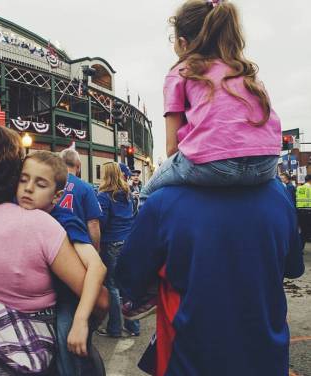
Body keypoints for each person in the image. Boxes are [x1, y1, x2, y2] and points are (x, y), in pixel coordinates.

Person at [0, 125, 108, 375]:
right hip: (39, 353)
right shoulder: (41, 224)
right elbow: (101, 299)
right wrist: (83, 321)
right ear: (13, 171)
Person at [116, 178, 304, 375]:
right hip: (265, 356)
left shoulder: (163, 201)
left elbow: (129, 278)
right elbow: (293, 268)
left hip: (189, 358)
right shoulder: (278, 195)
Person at [140, 0, 281, 201]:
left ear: (182, 42)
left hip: (213, 166)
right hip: (265, 164)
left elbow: (172, 148)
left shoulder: (181, 72)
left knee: (147, 195)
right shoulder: (245, 71)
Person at [16, 151, 108, 376]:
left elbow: (97, 267)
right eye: (23, 179)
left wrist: (81, 320)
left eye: (40, 184)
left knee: (68, 345)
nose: (28, 188)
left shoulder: (64, 220)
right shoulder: (13, 212)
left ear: (56, 197)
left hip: (66, 300)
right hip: (33, 304)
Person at [95, 162, 140, 337]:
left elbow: (102, 223)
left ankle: (114, 328)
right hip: (127, 241)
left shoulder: (104, 197)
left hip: (111, 243)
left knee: (112, 286)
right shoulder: (128, 195)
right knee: (126, 284)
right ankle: (133, 325)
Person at [59, 147, 102, 251]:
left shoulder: (49, 184)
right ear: (78, 166)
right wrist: (96, 249)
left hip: (52, 242)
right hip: (78, 243)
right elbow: (93, 223)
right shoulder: (86, 187)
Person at [296, 174, 311, 243]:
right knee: (308, 229)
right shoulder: (310, 188)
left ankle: (300, 247)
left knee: (302, 229)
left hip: (299, 210)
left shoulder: (299, 188)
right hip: (308, 211)